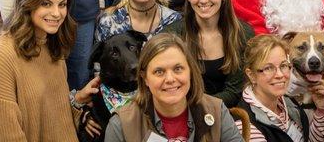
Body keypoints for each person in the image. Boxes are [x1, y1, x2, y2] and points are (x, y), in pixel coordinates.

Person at [0, 0, 101, 141]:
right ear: (27, 4)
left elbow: (51, 111)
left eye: (62, 4)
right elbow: (7, 135)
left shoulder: (51, 43)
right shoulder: (0, 56)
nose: (57, 13)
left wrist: (77, 100)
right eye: (46, 4)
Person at [104, 32, 243, 142]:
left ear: (190, 71)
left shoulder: (216, 110)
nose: (170, 79)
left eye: (178, 69)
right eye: (159, 72)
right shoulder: (121, 125)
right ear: (144, 78)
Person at [164, 0, 254, 107]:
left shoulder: (243, 33)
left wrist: (201, 106)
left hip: (229, 113)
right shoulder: (172, 35)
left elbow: (234, 92)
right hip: (181, 110)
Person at [236, 34, 324, 142]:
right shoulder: (246, 125)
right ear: (251, 75)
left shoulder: (287, 102)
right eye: (268, 68)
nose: (280, 74)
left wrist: (321, 109)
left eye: (283, 66)